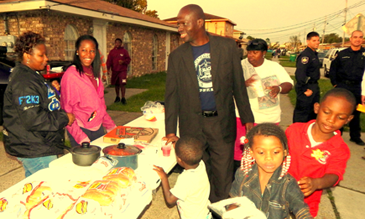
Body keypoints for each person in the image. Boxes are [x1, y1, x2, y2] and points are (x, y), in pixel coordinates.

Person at [164, 4, 254, 202]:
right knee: (199, 173)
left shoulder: (227, 48)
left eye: (183, 24)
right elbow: (171, 96)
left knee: (223, 174)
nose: (179, 28)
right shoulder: (177, 57)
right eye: (178, 24)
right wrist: (170, 130)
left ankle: (219, 208)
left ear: (199, 22)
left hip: (221, 123)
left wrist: (247, 118)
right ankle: (203, 208)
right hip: (192, 126)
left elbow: (238, 85)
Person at [2, 31, 75, 177]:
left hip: (38, 144)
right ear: (27, 56)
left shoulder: (32, 74)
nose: (46, 59)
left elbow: (40, 100)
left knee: (34, 187)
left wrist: (51, 89)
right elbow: (34, 119)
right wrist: (64, 118)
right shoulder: (24, 81)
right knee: (48, 187)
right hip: (35, 148)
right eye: (41, 55)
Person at [286, 88, 355, 217]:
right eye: (327, 112)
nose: (331, 120)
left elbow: (335, 175)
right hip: (277, 194)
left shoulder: (340, 149)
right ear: (317, 108)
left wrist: (317, 183)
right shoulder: (294, 130)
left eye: (340, 117)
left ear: (348, 119)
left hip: (306, 202)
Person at [234, 39, 293, 172]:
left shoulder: (274, 67)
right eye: (248, 52)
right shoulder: (240, 65)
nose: (250, 56)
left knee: (264, 153)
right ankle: (240, 179)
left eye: (255, 53)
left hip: (268, 119)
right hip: (242, 117)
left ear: (264, 53)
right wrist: (244, 83)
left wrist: (278, 88)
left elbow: (288, 84)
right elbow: (227, 85)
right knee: (241, 153)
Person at [230, 123, 312, 219]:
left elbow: (301, 209)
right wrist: (230, 212)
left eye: (275, 152)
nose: (269, 158)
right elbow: (234, 199)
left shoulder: (288, 183)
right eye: (261, 152)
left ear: (285, 152)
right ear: (251, 153)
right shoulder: (242, 174)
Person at [61, 35, 116, 147]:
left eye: (92, 51)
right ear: (77, 52)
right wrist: (80, 137)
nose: (88, 54)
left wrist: (111, 126)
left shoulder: (94, 73)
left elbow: (100, 104)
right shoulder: (71, 76)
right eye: (84, 50)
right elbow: (66, 110)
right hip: (80, 129)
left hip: (97, 126)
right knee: (85, 163)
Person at [153, 136, 211, 219]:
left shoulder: (185, 179)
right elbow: (191, 149)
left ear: (179, 159)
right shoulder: (201, 164)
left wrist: (164, 178)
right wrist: (178, 142)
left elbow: (170, 200)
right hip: (204, 214)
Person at [329, 30, 365, 146]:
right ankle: (337, 135)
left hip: (358, 88)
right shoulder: (342, 53)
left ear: (362, 40)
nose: (358, 39)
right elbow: (333, 70)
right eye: (355, 37)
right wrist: (335, 84)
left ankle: (355, 136)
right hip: (343, 87)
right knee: (340, 111)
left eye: (360, 37)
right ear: (351, 39)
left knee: (356, 113)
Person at [293, 32, 320, 123]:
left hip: (314, 86)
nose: (317, 42)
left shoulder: (314, 54)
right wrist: (305, 89)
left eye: (318, 40)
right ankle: (296, 134)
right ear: (308, 41)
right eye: (314, 40)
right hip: (307, 87)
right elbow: (300, 74)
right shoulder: (306, 55)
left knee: (312, 114)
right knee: (303, 114)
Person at [106, 38, 131, 104]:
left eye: (118, 43)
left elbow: (128, 60)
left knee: (122, 83)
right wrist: (107, 69)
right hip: (115, 71)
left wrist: (123, 62)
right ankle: (117, 97)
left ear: (121, 43)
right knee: (116, 84)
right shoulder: (112, 52)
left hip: (122, 71)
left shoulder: (124, 51)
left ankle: (123, 97)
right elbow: (109, 61)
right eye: (116, 43)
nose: (117, 44)